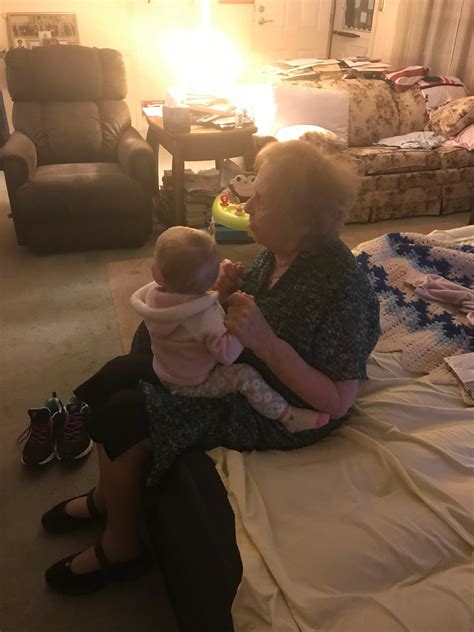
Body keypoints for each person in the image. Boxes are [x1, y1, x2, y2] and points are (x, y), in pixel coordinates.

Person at [41, 140, 380, 595]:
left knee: (124, 414)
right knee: (120, 372)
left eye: (261, 199)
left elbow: (337, 402)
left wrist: (267, 343)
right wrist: (222, 294)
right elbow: (237, 321)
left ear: (300, 218)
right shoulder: (277, 252)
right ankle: (108, 499)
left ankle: (122, 548)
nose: (247, 204)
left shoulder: (342, 286)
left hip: (281, 410)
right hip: (234, 372)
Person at [131, 226, 330, 432]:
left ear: (159, 276)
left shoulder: (154, 297)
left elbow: (188, 294)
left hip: (164, 370)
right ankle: (287, 416)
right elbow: (227, 355)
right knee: (245, 375)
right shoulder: (205, 316)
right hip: (193, 383)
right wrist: (244, 325)